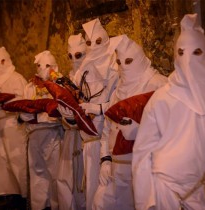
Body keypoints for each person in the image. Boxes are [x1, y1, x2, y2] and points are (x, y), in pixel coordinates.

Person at [132, 13, 205, 210]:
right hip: (166, 193)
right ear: (175, 55)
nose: (188, 61)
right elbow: (143, 152)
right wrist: (146, 200)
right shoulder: (161, 98)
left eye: (196, 52)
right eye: (181, 53)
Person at [92, 35, 167, 210]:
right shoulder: (118, 90)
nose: (124, 67)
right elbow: (108, 128)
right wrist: (105, 159)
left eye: (129, 61)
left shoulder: (158, 85)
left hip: (144, 167)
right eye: (119, 62)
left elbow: (173, 128)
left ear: (140, 58)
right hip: (117, 169)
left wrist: (142, 132)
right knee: (100, 203)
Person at [72, 18, 119, 210]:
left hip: (109, 142)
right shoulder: (82, 71)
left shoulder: (115, 67)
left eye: (98, 42)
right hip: (90, 140)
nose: (94, 47)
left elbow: (120, 102)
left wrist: (98, 109)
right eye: (89, 43)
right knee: (91, 188)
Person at [21, 50, 64, 210]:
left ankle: (56, 205)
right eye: (40, 66)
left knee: (55, 174)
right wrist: (36, 114)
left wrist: (41, 116)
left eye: (47, 66)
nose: (43, 69)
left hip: (54, 136)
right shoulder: (30, 87)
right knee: (37, 173)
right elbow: (24, 113)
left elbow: (61, 113)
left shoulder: (59, 86)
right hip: (34, 136)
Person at [0, 47, 28, 209]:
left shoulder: (17, 78)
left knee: (16, 161)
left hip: (11, 124)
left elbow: (24, 99)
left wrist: (7, 102)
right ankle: (11, 194)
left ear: (8, 60)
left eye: (2, 61)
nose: (0, 64)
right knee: (1, 162)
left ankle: (23, 196)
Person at [56, 33, 86, 210]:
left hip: (88, 136)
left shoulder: (94, 79)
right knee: (65, 177)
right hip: (71, 136)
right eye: (70, 56)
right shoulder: (68, 79)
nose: (74, 60)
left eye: (78, 55)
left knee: (84, 180)